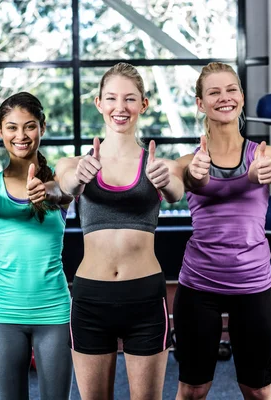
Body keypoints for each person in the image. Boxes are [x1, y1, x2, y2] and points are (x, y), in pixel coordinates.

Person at [56, 62, 185, 400]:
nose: (120, 107)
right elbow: (66, 185)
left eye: (130, 99)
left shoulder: (159, 165)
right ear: (98, 103)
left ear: (143, 105)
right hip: (91, 299)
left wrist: (165, 182)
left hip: (145, 298)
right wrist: (78, 177)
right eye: (111, 98)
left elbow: (176, 192)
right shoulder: (74, 164)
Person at [173, 62, 271, 400]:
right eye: (214, 92)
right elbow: (182, 185)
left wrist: (258, 173)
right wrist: (189, 176)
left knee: (258, 390)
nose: (224, 98)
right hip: (198, 284)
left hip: (253, 284)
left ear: (242, 97)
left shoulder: (265, 154)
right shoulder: (185, 161)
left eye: (231, 90)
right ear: (200, 102)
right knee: (193, 389)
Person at [0, 92, 73, 400]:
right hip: (5, 314)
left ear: (42, 127)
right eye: (12, 127)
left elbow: (62, 191)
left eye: (29, 126)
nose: (21, 135)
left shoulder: (59, 181)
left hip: (54, 313)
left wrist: (49, 191)